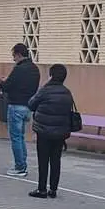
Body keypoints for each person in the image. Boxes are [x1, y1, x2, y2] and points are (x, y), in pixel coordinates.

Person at [27, 64, 76, 198]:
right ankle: (53, 190)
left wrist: (43, 86)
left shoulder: (45, 91)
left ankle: (41, 189)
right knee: (56, 160)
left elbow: (31, 104)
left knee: (43, 160)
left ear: (51, 76)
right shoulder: (67, 92)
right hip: (60, 132)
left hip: (43, 131)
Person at [0, 43, 40, 177]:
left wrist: (2, 82)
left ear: (19, 54)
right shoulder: (34, 69)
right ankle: (22, 164)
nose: (13, 59)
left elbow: (8, 86)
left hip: (16, 106)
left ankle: (20, 167)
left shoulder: (19, 69)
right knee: (21, 137)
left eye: (13, 56)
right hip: (28, 106)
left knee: (16, 138)